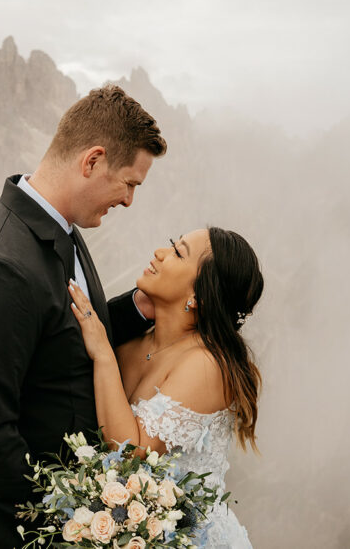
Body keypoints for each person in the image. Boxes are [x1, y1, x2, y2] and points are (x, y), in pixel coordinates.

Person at [0, 84, 167, 549]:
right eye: (130, 182)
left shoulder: (59, 228)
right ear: (92, 161)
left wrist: (142, 308)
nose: (128, 201)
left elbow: (70, 333)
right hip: (7, 535)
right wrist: (67, 524)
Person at [68, 227, 263, 548]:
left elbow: (132, 455)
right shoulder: (131, 346)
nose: (160, 252)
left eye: (178, 252)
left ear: (198, 296)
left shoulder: (207, 364)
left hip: (192, 540)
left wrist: (102, 353)